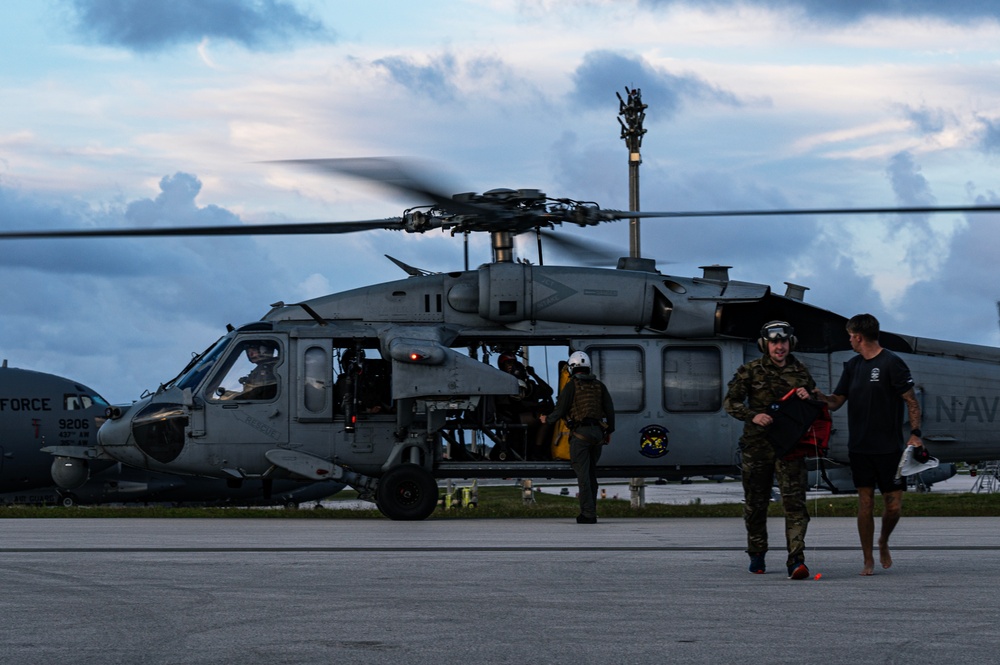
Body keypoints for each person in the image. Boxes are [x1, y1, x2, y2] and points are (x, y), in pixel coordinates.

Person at [815, 313, 922, 576]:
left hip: (889, 447)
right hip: (860, 447)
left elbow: (911, 401)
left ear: (859, 337)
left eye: (850, 336)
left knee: (893, 506)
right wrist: (818, 397)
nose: (849, 340)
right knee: (865, 503)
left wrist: (916, 433)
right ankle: (867, 558)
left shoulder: (892, 363)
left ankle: (883, 541)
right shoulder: (852, 366)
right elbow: (836, 401)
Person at [723, 320, 816, 579]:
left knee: (795, 505)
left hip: (790, 447)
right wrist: (753, 415)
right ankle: (757, 552)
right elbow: (730, 402)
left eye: (784, 341)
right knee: (756, 504)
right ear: (766, 344)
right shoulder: (750, 371)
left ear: (790, 343)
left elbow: (813, 405)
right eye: (774, 342)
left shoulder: (801, 372)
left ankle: (796, 560)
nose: (779, 346)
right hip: (758, 447)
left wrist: (808, 398)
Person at [539, 351, 614, 524]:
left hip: (581, 435)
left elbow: (560, 410)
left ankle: (588, 515)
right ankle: (591, 510)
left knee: (583, 477)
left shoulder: (572, 385)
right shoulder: (599, 386)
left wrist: (546, 419)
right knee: (591, 474)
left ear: (572, 368)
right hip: (597, 434)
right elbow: (610, 411)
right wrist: (609, 432)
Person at [496, 352, 555, 460]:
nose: (511, 366)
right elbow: (516, 404)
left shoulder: (528, 384)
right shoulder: (502, 384)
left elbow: (548, 391)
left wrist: (533, 375)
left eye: (513, 363)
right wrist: (537, 406)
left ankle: (542, 450)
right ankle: (537, 451)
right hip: (511, 417)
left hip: (523, 416)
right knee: (544, 420)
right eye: (508, 363)